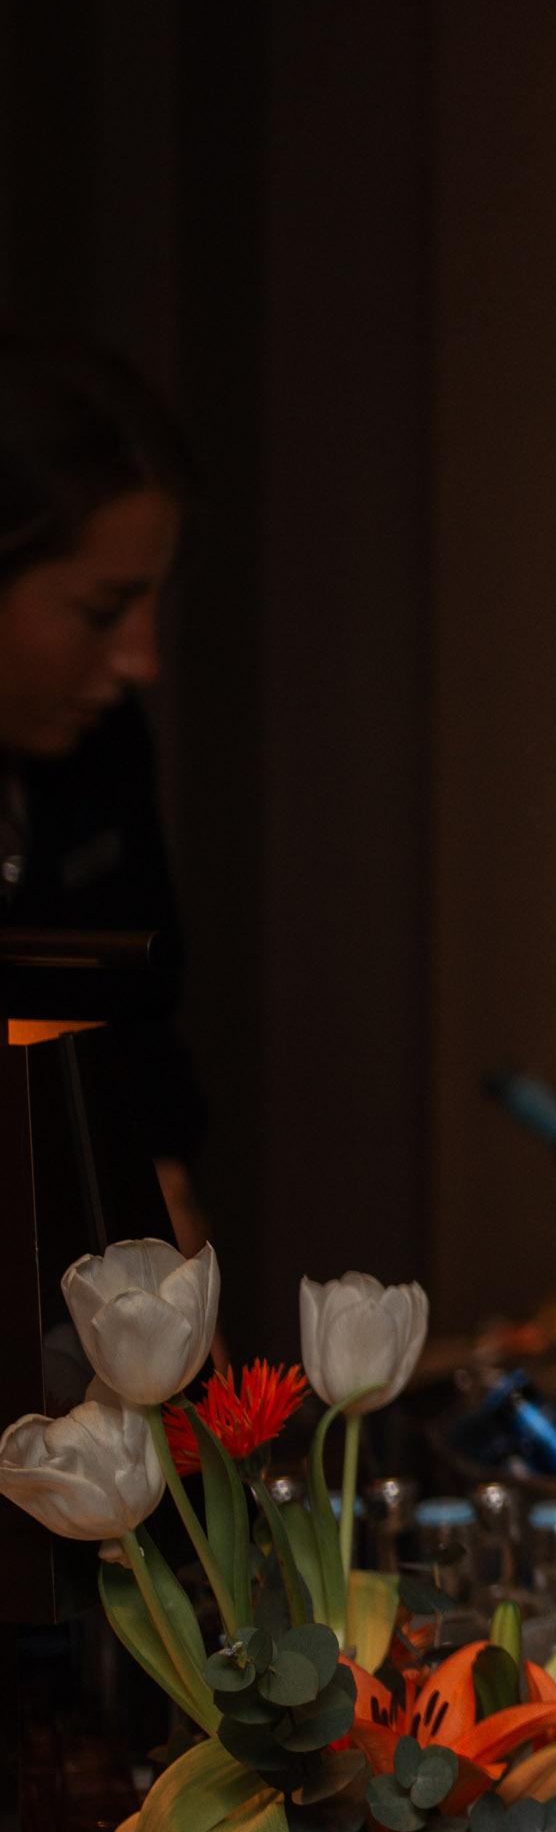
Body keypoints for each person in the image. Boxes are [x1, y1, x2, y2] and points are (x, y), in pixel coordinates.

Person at [0, 338, 206, 1249]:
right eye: (100, 610)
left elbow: (137, 1030)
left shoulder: (103, 748)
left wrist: (161, 1186)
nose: (140, 660)